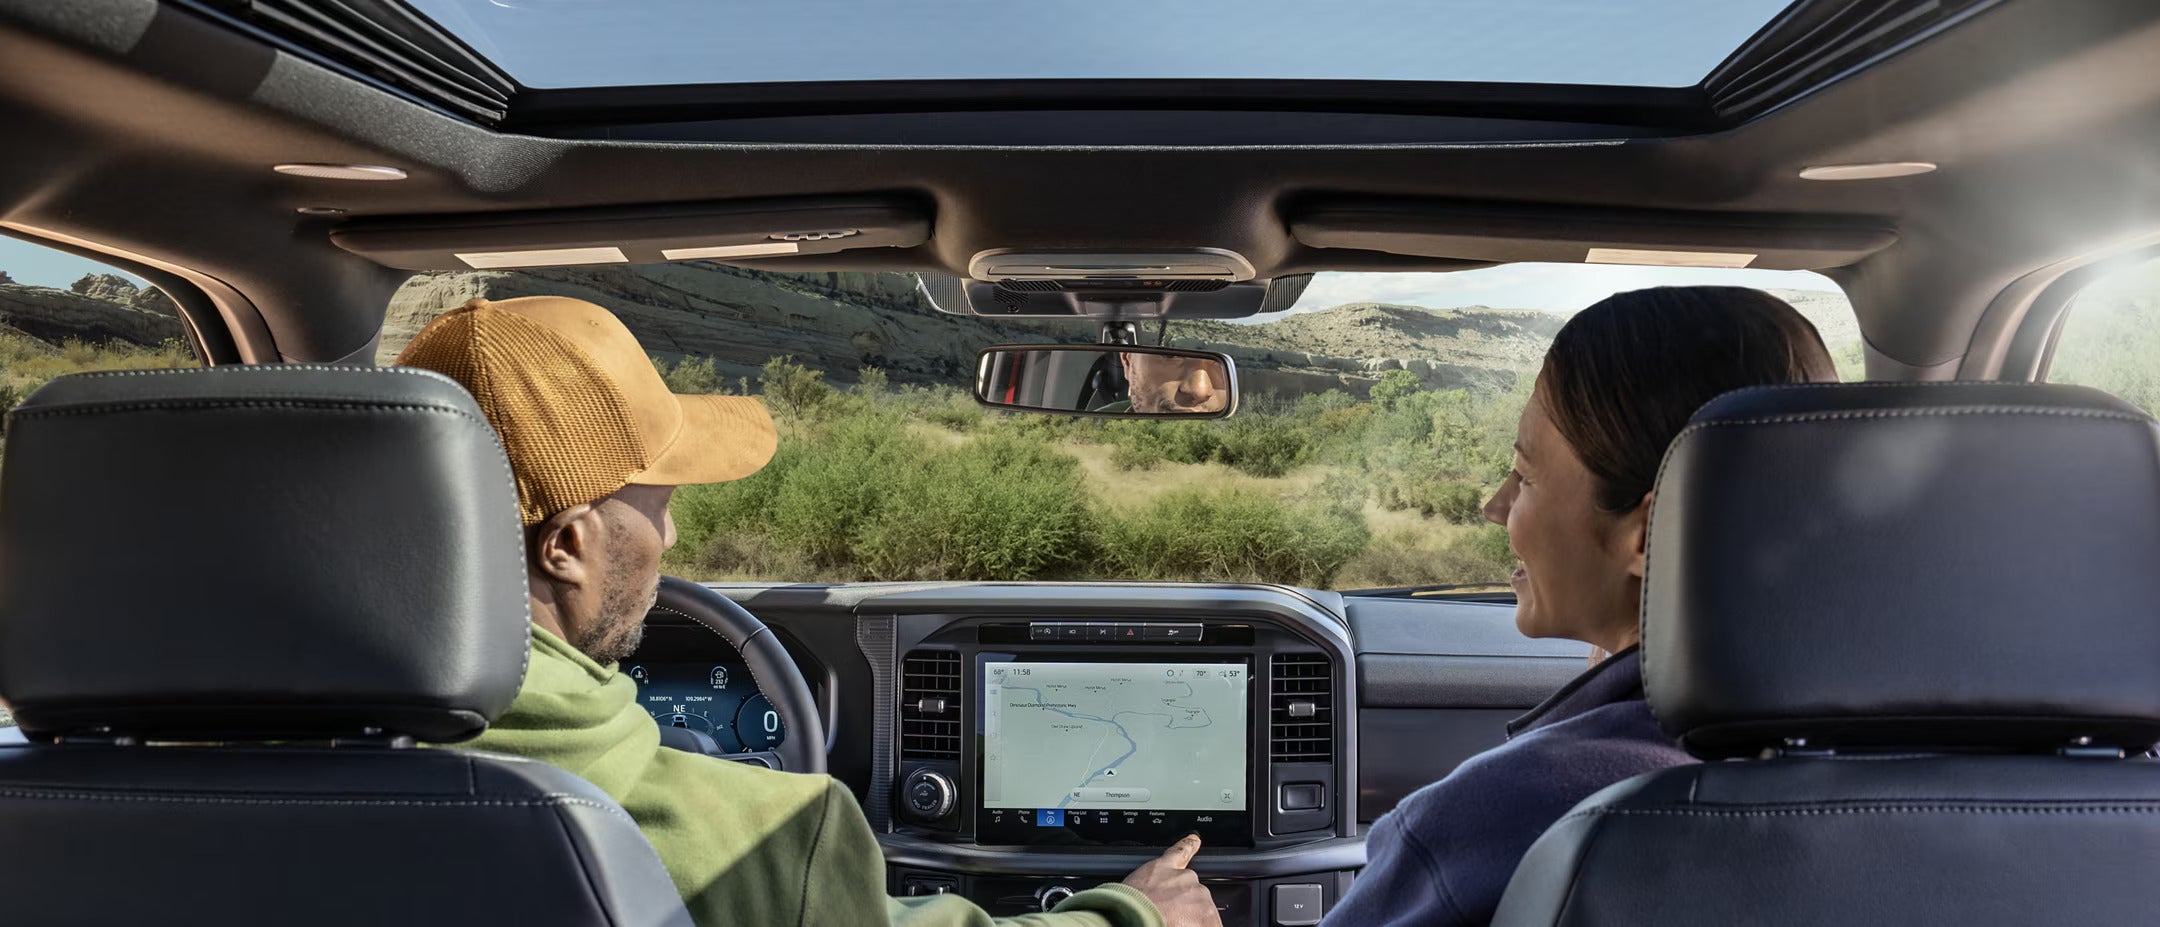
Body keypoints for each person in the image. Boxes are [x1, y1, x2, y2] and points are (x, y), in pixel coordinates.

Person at [398, 295, 1221, 927]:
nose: (673, 532)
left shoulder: (275, 766)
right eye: (658, 502)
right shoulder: (765, 836)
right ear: (567, 546)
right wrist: (1136, 910)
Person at [1322, 286, 1839, 927]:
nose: (1495, 507)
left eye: (1525, 476)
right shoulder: (1960, 786)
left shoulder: (1507, 814)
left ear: (1652, 534)